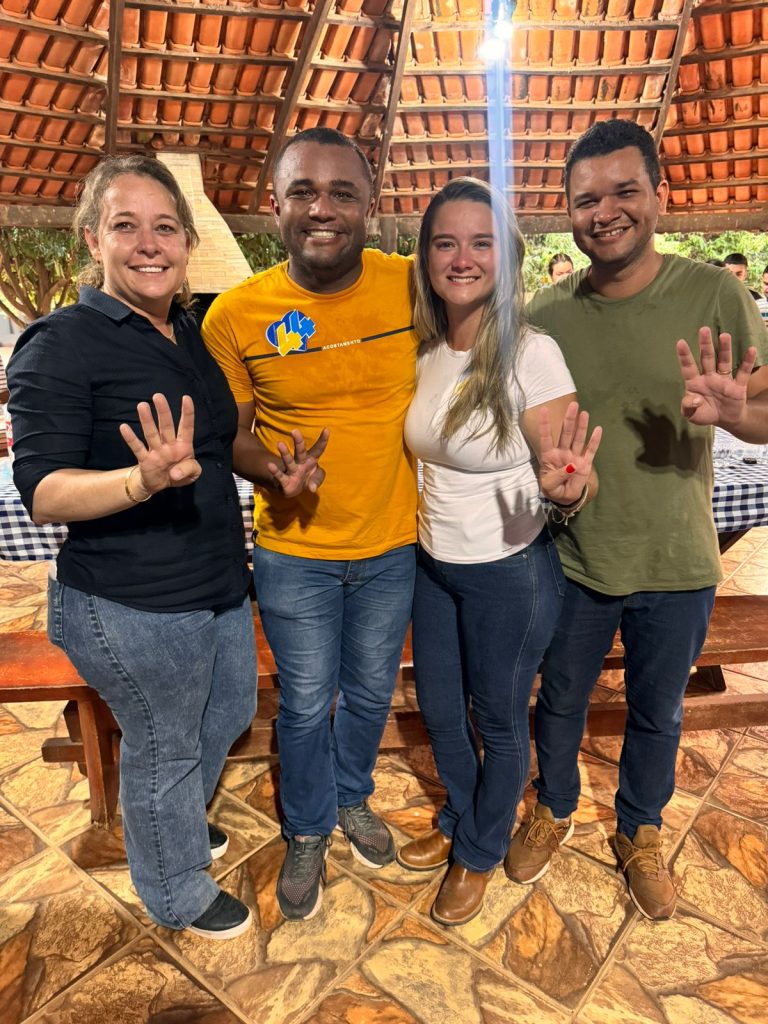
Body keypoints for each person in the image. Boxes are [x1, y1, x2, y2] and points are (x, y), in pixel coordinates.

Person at [505, 119, 768, 920]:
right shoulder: (546, 314)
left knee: (660, 710)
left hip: (678, 555)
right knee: (560, 699)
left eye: (625, 191)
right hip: (574, 556)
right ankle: (554, 805)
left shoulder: (715, 294)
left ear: (660, 194)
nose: (605, 212)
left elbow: (764, 413)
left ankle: (640, 828)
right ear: (568, 212)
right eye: (587, 200)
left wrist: (738, 415)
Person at [7, 156, 258, 939]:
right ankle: (175, 889)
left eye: (165, 227)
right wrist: (139, 481)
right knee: (165, 746)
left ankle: (171, 822)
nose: (149, 244)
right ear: (94, 239)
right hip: (131, 600)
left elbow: (218, 443)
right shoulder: (60, 343)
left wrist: (274, 467)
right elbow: (43, 492)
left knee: (232, 711)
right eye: (126, 226)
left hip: (216, 583)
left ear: (186, 242)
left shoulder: (187, 329)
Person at [202, 128, 418, 921]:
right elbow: (233, 435)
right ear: (276, 205)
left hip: (394, 544)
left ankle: (351, 795)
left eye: (341, 193)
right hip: (294, 553)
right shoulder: (235, 314)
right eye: (303, 191)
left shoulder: (412, 285)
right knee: (302, 704)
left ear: (371, 205)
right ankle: (306, 827)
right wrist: (270, 469)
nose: (322, 209)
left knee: (368, 694)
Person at [395, 178, 601, 926]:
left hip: (510, 572)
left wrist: (567, 489)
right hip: (433, 566)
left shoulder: (531, 353)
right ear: (426, 258)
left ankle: (480, 850)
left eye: (481, 243)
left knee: (501, 719)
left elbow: (573, 473)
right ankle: (463, 817)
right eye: (445, 243)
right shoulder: (425, 349)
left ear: (507, 258)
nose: (462, 258)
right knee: (441, 713)